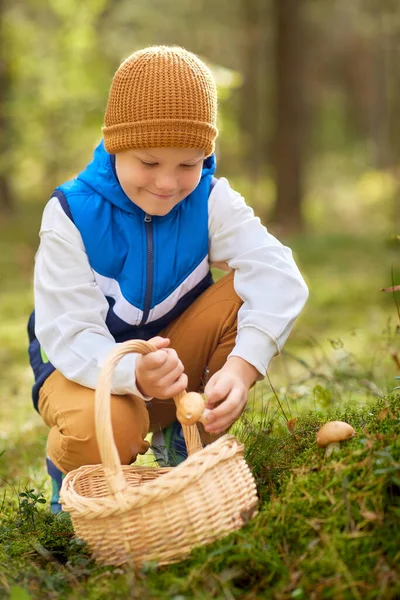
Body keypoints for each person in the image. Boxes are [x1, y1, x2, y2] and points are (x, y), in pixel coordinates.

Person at [28, 45, 308, 513]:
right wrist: (132, 372)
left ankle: (184, 438)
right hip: (85, 372)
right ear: (115, 144)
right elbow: (69, 331)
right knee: (112, 424)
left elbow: (278, 273)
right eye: (149, 162)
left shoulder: (209, 199)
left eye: (188, 163)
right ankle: (75, 478)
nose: (168, 183)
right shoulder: (72, 214)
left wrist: (242, 369)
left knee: (249, 290)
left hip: (174, 368)